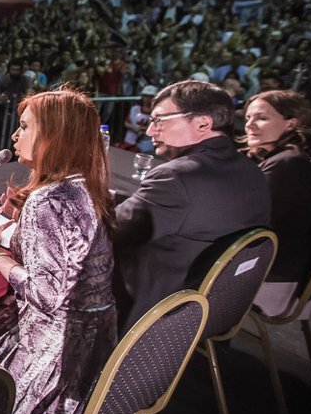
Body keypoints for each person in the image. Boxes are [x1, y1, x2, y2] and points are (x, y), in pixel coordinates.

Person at [0, 88, 117, 414]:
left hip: (55, 354)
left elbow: (48, 296)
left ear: (54, 136)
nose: (15, 135)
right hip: (97, 342)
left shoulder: (46, 200)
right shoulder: (86, 185)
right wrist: (17, 232)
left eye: (24, 127)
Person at [112, 80, 270, 332]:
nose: (150, 131)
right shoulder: (252, 172)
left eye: (159, 120)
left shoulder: (176, 177)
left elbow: (111, 231)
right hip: (211, 308)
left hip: (151, 316)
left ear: (203, 124)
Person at [241, 91, 311, 317]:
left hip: (274, 284)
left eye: (262, 118)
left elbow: (249, 228)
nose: (249, 125)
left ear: (291, 123)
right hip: (292, 275)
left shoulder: (287, 165)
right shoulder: (300, 156)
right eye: (247, 118)